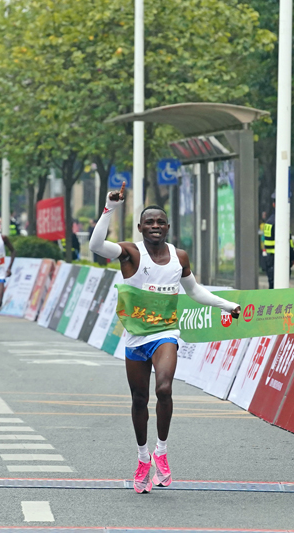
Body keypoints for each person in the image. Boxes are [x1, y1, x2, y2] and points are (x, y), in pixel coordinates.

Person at [89, 183, 241, 494]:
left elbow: (195, 292)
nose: (155, 226)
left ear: (168, 227)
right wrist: (109, 208)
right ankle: (143, 457)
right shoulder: (131, 252)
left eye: (160, 222)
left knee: (165, 388)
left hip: (165, 333)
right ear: (141, 227)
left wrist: (227, 304)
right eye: (150, 222)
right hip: (136, 338)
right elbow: (96, 246)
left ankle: (161, 450)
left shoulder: (179, 256)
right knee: (139, 400)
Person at [262, 195, 294, 289]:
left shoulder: (269, 221)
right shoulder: (280, 222)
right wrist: (293, 256)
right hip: (280, 260)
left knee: (272, 287)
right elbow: (287, 243)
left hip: (270, 260)